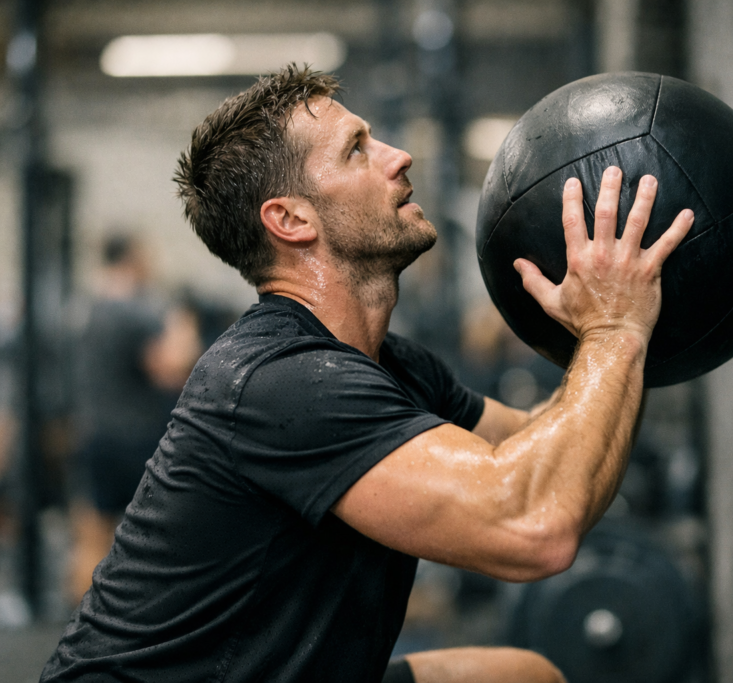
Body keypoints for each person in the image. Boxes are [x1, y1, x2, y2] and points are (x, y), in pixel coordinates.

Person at [41, 65, 693, 682]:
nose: (397, 155)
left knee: (520, 675)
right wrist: (613, 333)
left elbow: (555, 454)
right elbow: (535, 524)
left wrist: (616, 329)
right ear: (291, 219)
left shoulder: (394, 366)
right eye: (357, 149)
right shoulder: (282, 381)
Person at [66, 235, 202, 603]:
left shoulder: (87, 306)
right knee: (154, 541)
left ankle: (80, 632)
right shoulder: (134, 310)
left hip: (95, 435)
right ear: (133, 258)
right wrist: (184, 320)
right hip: (134, 440)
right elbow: (172, 369)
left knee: (92, 534)